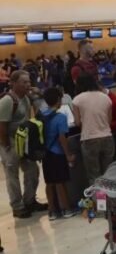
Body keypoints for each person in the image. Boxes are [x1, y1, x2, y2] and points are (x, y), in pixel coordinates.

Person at [0, 70, 46, 218]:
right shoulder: (7, 101)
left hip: (24, 141)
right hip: (10, 142)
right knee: (12, 175)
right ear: (13, 84)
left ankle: (30, 200)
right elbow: (2, 126)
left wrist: (38, 94)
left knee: (32, 170)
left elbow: (40, 109)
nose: (28, 84)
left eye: (28, 82)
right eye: (24, 82)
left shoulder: (26, 97)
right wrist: (6, 145)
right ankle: (18, 206)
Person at [40, 87, 76, 221]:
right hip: (57, 152)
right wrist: (68, 155)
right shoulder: (60, 117)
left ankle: (52, 211)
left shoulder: (41, 114)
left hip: (45, 153)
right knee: (61, 181)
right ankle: (66, 209)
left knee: (49, 182)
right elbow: (62, 138)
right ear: (58, 100)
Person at [72, 73, 114, 183]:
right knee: (109, 174)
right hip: (108, 137)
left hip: (89, 138)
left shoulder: (77, 100)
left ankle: (101, 200)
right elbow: (109, 121)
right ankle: (111, 199)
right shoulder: (106, 98)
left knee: (94, 176)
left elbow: (77, 123)